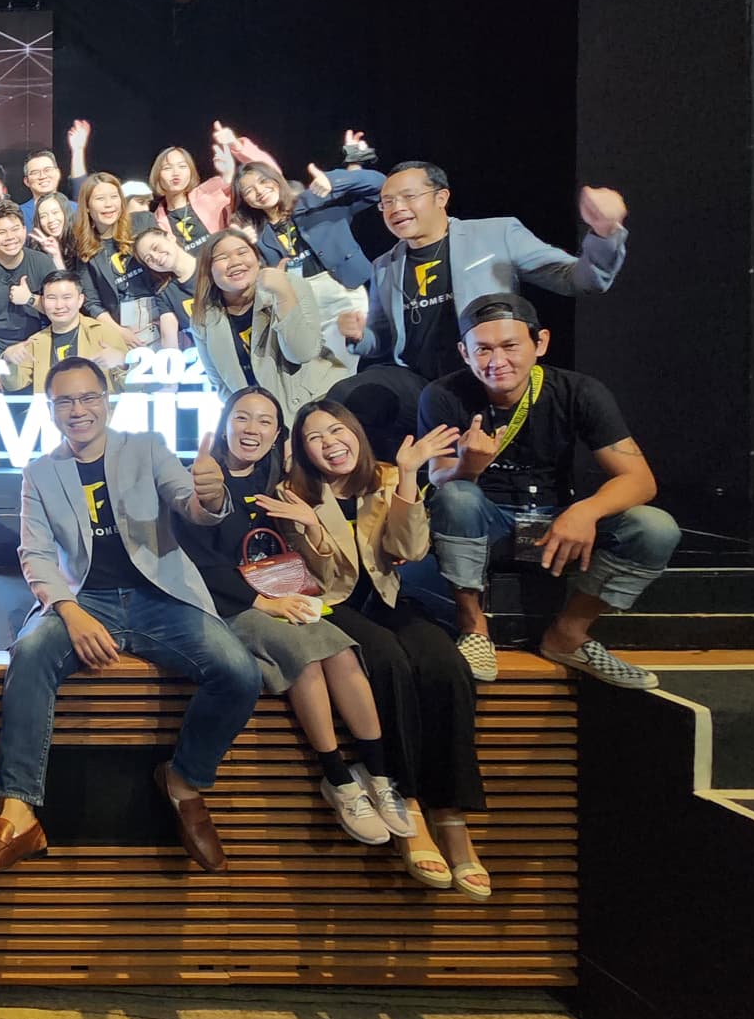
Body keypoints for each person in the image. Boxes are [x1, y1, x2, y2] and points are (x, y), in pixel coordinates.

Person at [0, 359, 259, 875]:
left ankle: (184, 782)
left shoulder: (146, 447)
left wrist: (210, 496)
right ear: (51, 410)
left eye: (88, 398)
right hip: (86, 600)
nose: (78, 410)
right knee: (29, 654)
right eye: (65, 401)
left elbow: (189, 503)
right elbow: (36, 556)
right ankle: (18, 813)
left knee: (239, 672)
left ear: (107, 402)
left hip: (159, 597)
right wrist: (69, 611)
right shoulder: (39, 473)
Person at [265, 400, 489, 898]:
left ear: (356, 431)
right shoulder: (291, 493)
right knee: (386, 661)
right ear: (302, 450)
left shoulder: (386, 476)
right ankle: (407, 803)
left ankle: (452, 815)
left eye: (336, 430)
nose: (330, 443)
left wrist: (408, 477)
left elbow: (409, 551)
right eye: (314, 438)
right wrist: (313, 526)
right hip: (333, 605)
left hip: (386, 598)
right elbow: (321, 577)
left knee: (446, 665)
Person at [178, 388, 411, 848]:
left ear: (278, 435)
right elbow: (194, 564)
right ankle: (338, 780)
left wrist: (312, 526)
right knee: (306, 655)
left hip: (285, 593)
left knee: (341, 651)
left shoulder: (277, 478)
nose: (252, 429)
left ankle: (379, 776)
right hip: (229, 605)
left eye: (265, 421)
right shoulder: (199, 477)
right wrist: (260, 602)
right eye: (242, 417)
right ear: (224, 423)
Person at [417, 293, 679, 688]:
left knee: (655, 528)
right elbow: (439, 480)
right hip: (487, 527)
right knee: (456, 497)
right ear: (464, 353)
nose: (496, 361)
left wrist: (585, 511)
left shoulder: (579, 391)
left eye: (510, 346)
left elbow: (640, 480)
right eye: (483, 349)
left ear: (539, 343)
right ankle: (474, 629)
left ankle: (569, 634)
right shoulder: (443, 395)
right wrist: (469, 465)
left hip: (555, 528)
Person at [331, 162, 630, 454]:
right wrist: (360, 335)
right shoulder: (384, 265)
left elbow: (576, 278)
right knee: (345, 399)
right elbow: (382, 339)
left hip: (484, 377)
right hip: (419, 384)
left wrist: (604, 233)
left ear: (441, 197)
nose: (397, 208)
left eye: (408, 196)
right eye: (387, 202)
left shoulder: (497, 234)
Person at [232, 149, 380, 366]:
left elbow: (379, 185)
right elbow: (255, 284)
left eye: (264, 181)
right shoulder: (256, 234)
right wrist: (242, 247)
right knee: (317, 370)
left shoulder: (314, 200)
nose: (260, 191)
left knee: (345, 365)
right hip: (300, 303)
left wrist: (334, 180)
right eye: (249, 191)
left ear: (277, 178)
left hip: (342, 292)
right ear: (245, 201)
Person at [183, 232, 349, 421]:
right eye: (222, 257)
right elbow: (221, 383)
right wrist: (249, 418)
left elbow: (302, 352)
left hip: (317, 404)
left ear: (257, 258)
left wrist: (283, 294)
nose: (235, 261)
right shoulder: (203, 319)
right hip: (261, 420)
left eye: (242, 252)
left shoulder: (290, 285)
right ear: (208, 270)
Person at [2, 270, 132, 394]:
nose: (59, 305)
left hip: (94, 408)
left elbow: (134, 386)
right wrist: (8, 359)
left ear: (80, 300)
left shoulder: (104, 332)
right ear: (42, 301)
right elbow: (13, 385)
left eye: (67, 297)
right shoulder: (36, 342)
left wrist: (122, 362)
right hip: (53, 408)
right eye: (51, 298)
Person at [147, 123, 276, 248]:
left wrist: (236, 146)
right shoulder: (155, 222)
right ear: (157, 175)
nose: (176, 173)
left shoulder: (210, 191)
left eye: (182, 166)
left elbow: (271, 173)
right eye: (167, 168)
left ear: (191, 171)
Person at [0, 200, 57, 358]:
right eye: (1, 232)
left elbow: (60, 308)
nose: (10, 237)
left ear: (25, 230)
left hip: (38, 344)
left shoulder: (42, 262)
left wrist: (30, 299)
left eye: (15, 229)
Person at [66, 171, 142, 317]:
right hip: (116, 323)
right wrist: (118, 329)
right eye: (100, 199)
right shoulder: (84, 247)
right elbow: (92, 303)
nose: (109, 204)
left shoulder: (142, 224)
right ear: (87, 207)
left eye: (114, 197)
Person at [128, 214, 200, 347]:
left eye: (155, 247)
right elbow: (169, 340)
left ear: (170, 237)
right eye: (148, 259)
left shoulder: (210, 267)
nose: (155, 257)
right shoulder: (165, 292)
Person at [16, 148, 66, 231]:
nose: (42, 176)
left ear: (58, 173)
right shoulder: (18, 214)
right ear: (26, 181)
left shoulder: (76, 209)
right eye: (35, 172)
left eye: (47, 170)